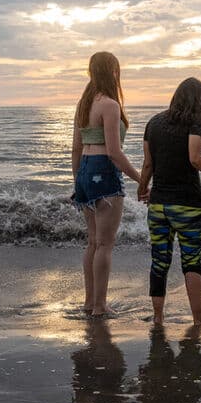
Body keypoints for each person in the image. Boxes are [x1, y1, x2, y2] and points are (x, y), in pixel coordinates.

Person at [136, 78, 201, 326]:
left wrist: (143, 186)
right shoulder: (196, 122)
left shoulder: (153, 123)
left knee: (159, 259)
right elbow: (195, 158)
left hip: (158, 204)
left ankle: (158, 317)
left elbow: (148, 164)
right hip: (188, 203)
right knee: (191, 260)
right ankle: (198, 320)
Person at [72, 51, 141, 317]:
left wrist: (77, 180)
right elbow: (114, 152)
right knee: (105, 244)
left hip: (86, 172)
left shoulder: (83, 104)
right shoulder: (110, 105)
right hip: (104, 170)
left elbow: (76, 149)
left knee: (92, 242)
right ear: (113, 72)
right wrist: (141, 178)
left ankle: (90, 302)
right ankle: (101, 305)